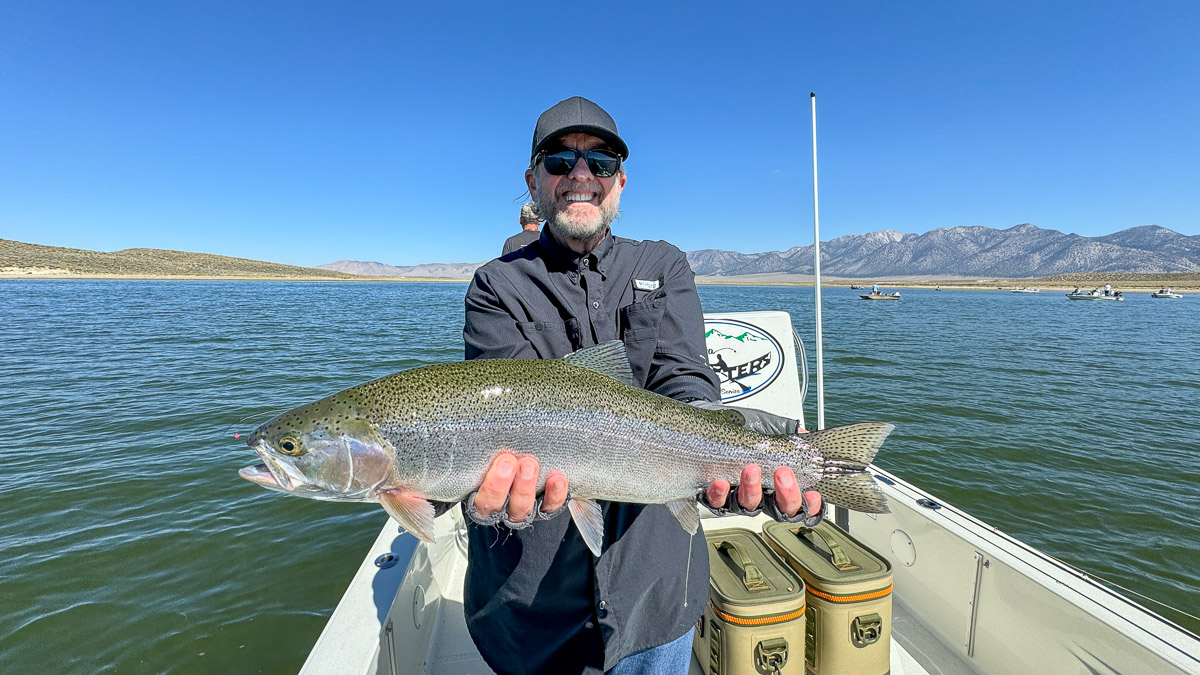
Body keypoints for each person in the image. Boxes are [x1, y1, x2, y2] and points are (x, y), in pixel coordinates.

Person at [459, 96, 823, 675]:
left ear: (620, 181)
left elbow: (686, 376)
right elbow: (512, 406)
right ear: (533, 179)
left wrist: (728, 453)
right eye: (560, 160)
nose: (581, 175)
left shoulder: (666, 264)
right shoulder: (495, 285)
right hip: (529, 614)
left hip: (657, 598)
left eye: (600, 163)